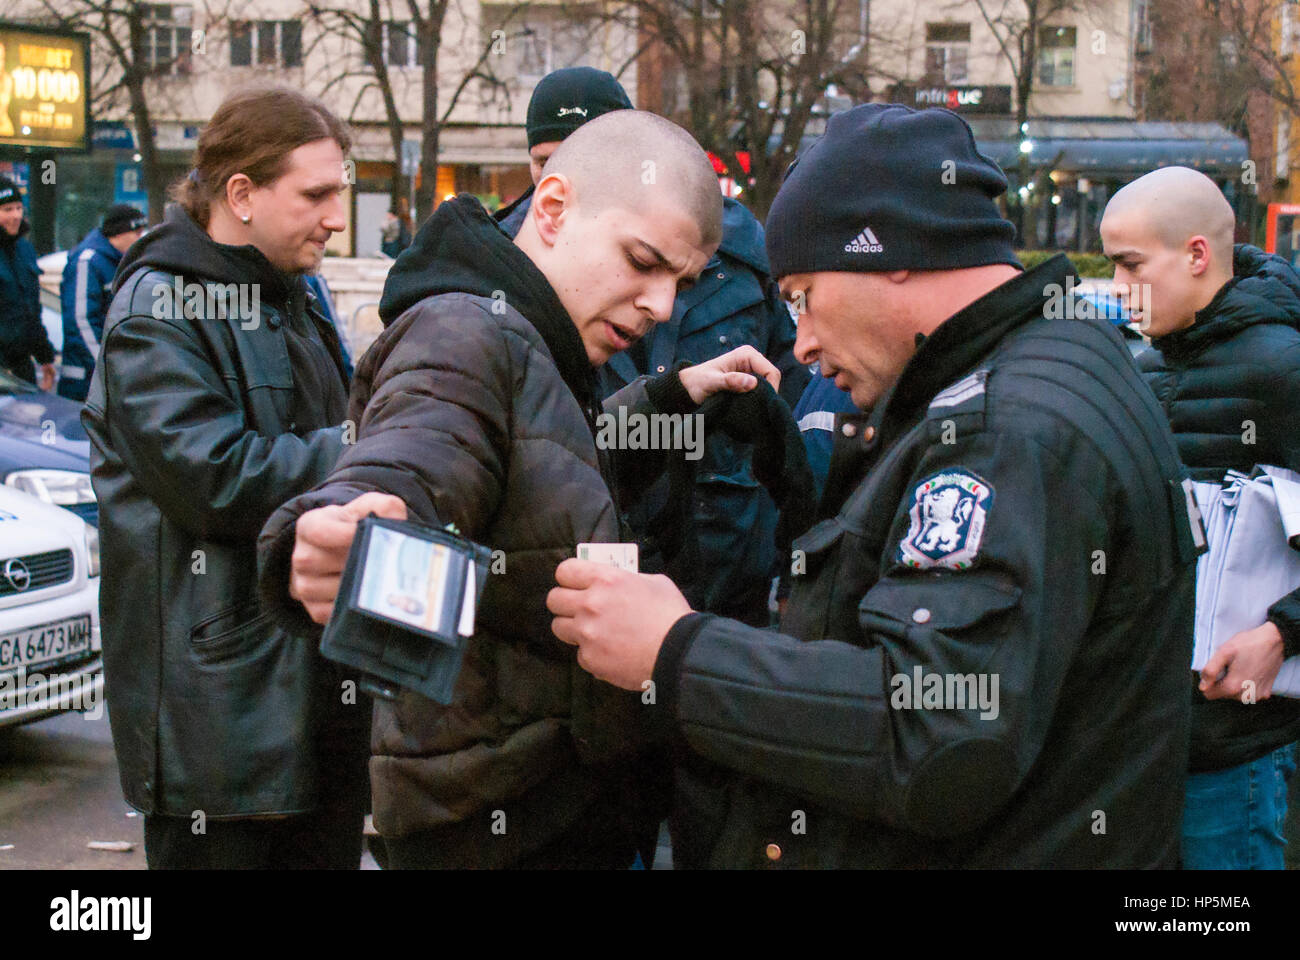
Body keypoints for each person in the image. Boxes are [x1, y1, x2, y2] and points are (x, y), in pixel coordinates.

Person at [547, 103, 1203, 868]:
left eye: (802, 295)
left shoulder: (1006, 427)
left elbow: (935, 735)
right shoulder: (1045, 366)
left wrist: (677, 651)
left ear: (887, 251)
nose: (803, 342)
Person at [257, 110, 779, 869]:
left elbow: (549, 463)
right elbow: (419, 450)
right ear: (555, 208)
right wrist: (345, 521)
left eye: (682, 282)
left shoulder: (536, 335)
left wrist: (668, 398)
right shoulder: (463, 332)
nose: (661, 305)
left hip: (544, 806)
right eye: (642, 262)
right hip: (501, 830)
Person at [82, 87, 366, 869]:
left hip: (310, 695)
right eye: (315, 194)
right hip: (222, 729)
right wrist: (368, 450)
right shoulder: (158, 308)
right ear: (240, 194)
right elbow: (215, 477)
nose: (336, 216)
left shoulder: (292, 291)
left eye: (339, 192)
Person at [499, 65, 809, 627]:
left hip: (725, 568)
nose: (657, 304)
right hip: (582, 581)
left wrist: (798, 570)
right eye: (548, 161)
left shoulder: (738, 250)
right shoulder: (500, 275)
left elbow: (795, 413)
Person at [1101, 165, 1300, 870]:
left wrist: (1282, 632)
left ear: (1195, 255)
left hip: (1242, 742)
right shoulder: (1145, 368)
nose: (1118, 288)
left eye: (1130, 265)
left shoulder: (1286, 368)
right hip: (1151, 738)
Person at [57, 204, 148, 402]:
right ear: (119, 233)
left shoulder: (120, 263)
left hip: (111, 380)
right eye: (137, 232)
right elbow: (81, 322)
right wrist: (107, 367)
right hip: (85, 383)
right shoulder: (87, 262)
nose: (140, 239)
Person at [0, 176, 55, 390]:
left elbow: (31, 311)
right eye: (7, 210)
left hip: (22, 367)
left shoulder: (24, 250)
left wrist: (44, 356)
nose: (15, 216)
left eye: (18, 208)